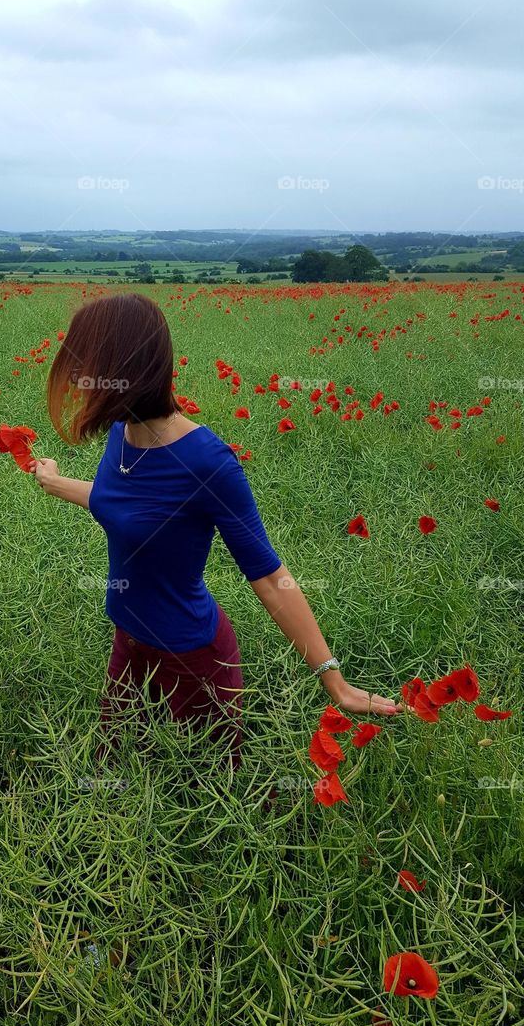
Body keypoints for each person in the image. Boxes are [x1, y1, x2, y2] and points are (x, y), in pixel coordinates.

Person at [30, 292, 402, 770]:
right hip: (129, 641)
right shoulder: (122, 435)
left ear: (128, 369)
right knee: (114, 763)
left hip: (192, 659)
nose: (80, 382)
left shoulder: (207, 462)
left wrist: (334, 679)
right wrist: (56, 481)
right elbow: (121, 504)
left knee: (209, 779)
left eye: (89, 368)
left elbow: (269, 577)